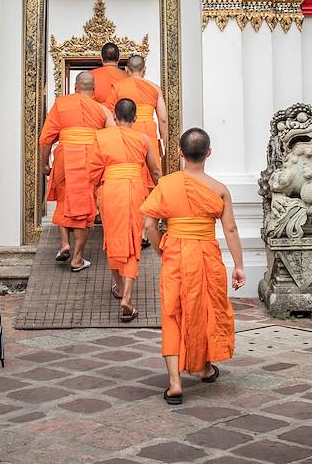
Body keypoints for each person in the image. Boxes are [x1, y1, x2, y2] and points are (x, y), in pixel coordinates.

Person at [141, 127, 245, 405]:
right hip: (206, 254)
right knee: (206, 309)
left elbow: (149, 225)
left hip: (175, 250)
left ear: (179, 152)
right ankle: (204, 368)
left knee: (173, 312)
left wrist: (162, 246)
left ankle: (175, 383)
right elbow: (231, 230)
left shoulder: (166, 185)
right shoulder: (220, 190)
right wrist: (239, 265)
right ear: (208, 153)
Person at [89, 98, 161, 322]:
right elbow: (156, 173)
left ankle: (119, 286)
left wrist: (96, 195)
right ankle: (126, 297)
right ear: (136, 117)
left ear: (114, 114)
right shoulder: (144, 139)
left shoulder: (101, 137)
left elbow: (92, 173)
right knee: (131, 242)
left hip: (110, 190)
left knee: (112, 238)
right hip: (134, 190)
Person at [39, 71, 114, 271]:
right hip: (89, 159)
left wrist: (44, 163)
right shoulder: (102, 110)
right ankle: (77, 258)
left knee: (64, 199)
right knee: (83, 205)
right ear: (94, 90)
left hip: (64, 157)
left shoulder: (61, 105)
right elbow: (111, 140)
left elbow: (46, 139)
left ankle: (64, 244)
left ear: (75, 87)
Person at [106, 54, 167, 191]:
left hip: (127, 132)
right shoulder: (155, 88)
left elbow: (109, 116)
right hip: (149, 132)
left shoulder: (117, 87)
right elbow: (163, 119)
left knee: (132, 169)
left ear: (127, 69)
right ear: (144, 69)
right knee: (151, 170)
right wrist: (163, 142)